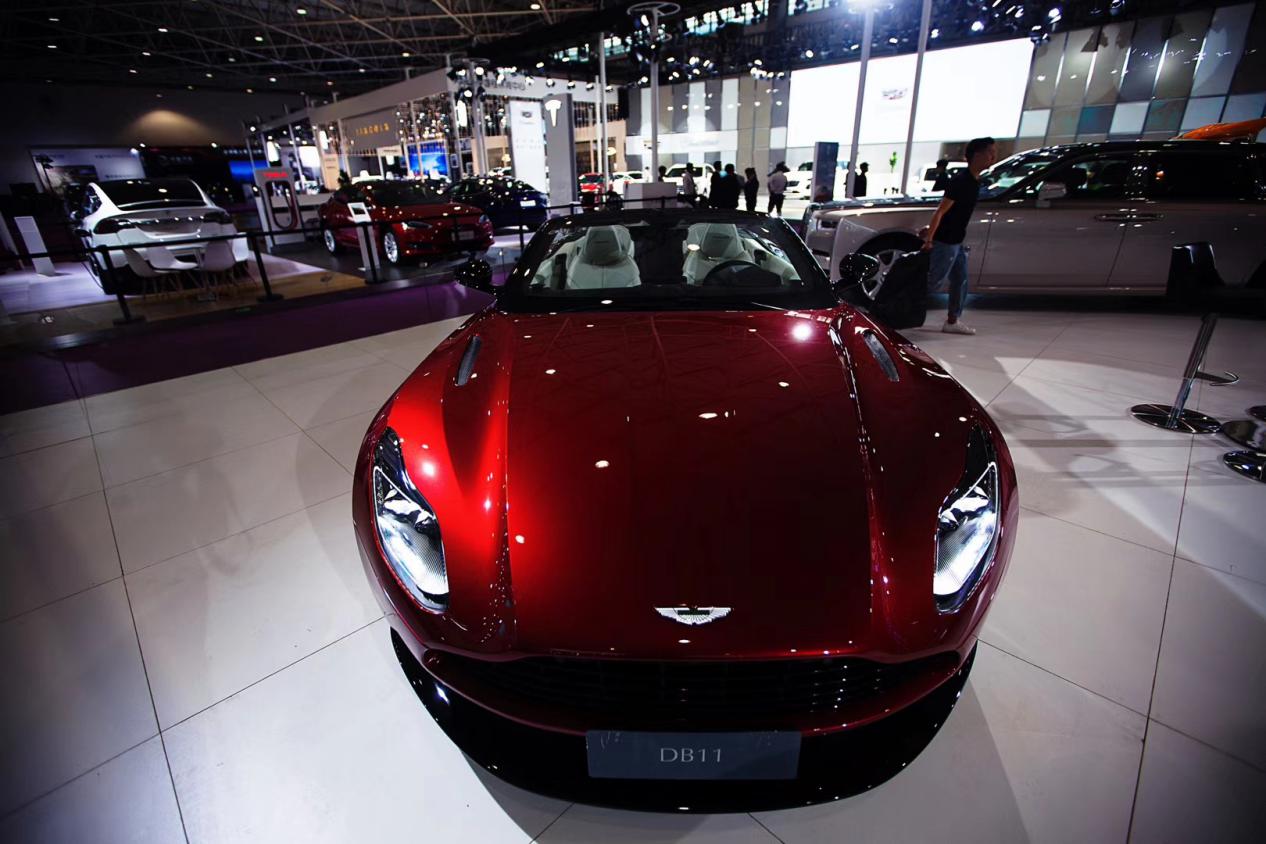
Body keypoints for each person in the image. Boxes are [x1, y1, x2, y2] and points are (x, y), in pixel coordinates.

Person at [921, 137, 997, 335]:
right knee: (933, 282)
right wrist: (930, 238)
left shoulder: (974, 181)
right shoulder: (961, 181)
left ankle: (953, 320)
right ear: (977, 155)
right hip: (946, 241)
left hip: (957, 241)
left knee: (960, 280)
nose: (993, 157)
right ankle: (894, 310)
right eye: (990, 152)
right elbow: (941, 211)